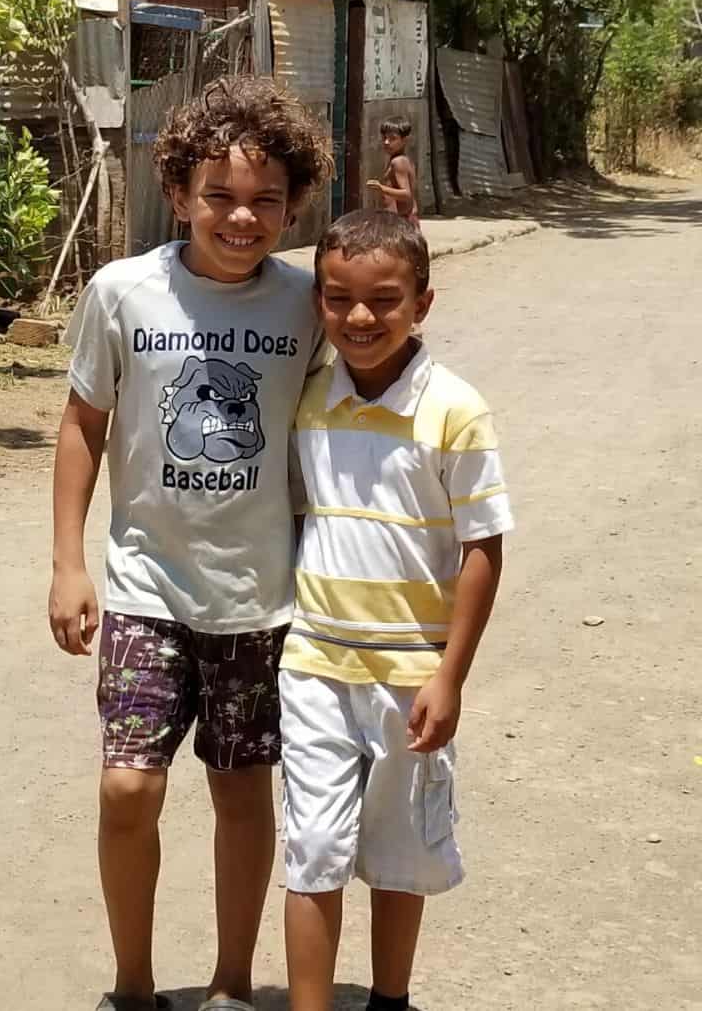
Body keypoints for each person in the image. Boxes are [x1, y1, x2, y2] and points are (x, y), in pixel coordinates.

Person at [49, 75, 334, 1011]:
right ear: (177, 193)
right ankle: (132, 986)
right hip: (144, 588)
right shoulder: (122, 292)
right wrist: (67, 562)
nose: (242, 216)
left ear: (293, 206)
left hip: (262, 596)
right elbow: (83, 422)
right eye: (219, 195)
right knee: (127, 789)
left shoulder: (306, 302)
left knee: (242, 789)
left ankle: (229, 983)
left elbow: (383, 347)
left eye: (266, 200)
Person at [281, 210, 511, 1011]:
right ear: (318, 300)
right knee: (312, 849)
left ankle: (390, 998)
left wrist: (450, 677)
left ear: (424, 302)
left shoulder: (455, 409)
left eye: (385, 298)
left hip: (412, 673)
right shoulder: (309, 398)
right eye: (338, 297)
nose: (360, 317)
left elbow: (484, 547)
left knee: (400, 851)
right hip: (313, 664)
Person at [367, 117, 420, 225]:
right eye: (384, 138)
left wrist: (381, 188)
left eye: (392, 138)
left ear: (405, 140)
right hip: (399, 220)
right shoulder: (401, 160)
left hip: (400, 222)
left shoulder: (398, 162)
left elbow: (406, 194)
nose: (386, 142)